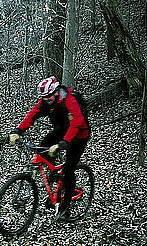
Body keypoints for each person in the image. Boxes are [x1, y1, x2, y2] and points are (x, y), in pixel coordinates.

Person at [9, 76, 90, 223]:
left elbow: (77, 123)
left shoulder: (69, 100)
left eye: (49, 96)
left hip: (79, 134)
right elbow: (32, 114)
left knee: (68, 170)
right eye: (43, 97)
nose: (46, 99)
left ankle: (65, 208)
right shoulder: (45, 102)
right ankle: (56, 180)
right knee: (43, 149)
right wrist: (18, 131)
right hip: (61, 130)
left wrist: (64, 143)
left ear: (56, 92)